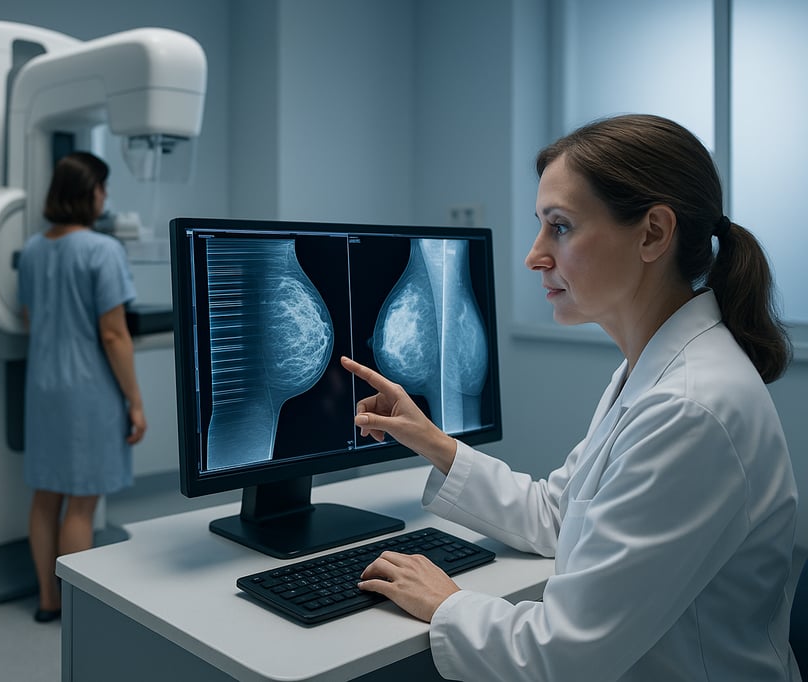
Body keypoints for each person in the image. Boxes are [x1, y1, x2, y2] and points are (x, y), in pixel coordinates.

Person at [342, 114, 798, 680]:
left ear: (654, 233)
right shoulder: (649, 371)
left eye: (559, 227)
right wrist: (434, 443)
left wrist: (446, 601)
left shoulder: (689, 407)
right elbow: (558, 514)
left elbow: (564, 657)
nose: (534, 255)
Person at [17, 151, 147, 623]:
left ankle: (48, 601)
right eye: (102, 188)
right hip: (87, 389)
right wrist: (135, 401)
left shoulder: (32, 249)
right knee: (81, 505)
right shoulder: (101, 250)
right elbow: (113, 334)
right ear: (88, 193)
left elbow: (29, 318)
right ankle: (76, 614)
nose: (105, 197)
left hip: (43, 386)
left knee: (46, 496)